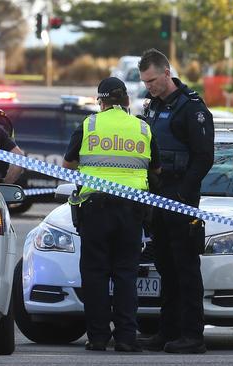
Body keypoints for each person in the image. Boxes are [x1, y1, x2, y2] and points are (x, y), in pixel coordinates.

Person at [63, 77, 160, 352]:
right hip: (131, 211)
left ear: (101, 101)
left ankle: (97, 337)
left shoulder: (89, 125)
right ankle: (127, 338)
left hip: (95, 210)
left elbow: (68, 164)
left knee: (95, 274)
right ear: (126, 100)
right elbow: (156, 171)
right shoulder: (143, 127)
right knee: (126, 273)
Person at [137, 49, 214, 354]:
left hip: (179, 198)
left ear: (167, 73)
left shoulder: (191, 108)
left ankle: (192, 335)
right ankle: (166, 332)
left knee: (185, 268)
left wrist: (183, 194)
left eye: (153, 80)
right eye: (145, 82)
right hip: (157, 196)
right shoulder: (153, 106)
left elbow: (204, 157)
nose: (149, 86)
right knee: (165, 267)